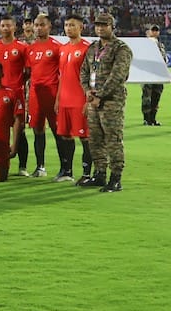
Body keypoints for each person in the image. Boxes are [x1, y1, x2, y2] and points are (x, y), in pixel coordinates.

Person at [79, 13, 132, 192]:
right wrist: (87, 91)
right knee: (95, 139)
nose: (100, 28)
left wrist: (100, 95)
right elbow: (84, 71)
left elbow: (118, 75)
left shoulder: (121, 49)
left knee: (113, 139)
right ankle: (99, 174)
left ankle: (116, 178)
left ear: (112, 27)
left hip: (111, 102)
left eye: (104, 25)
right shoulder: (93, 47)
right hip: (93, 100)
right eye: (98, 25)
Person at [0, 15, 28, 174]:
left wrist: (18, 84)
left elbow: (28, 71)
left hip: (16, 94)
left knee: (20, 129)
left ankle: (22, 166)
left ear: (14, 27)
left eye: (8, 25)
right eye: (3, 25)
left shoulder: (22, 48)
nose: (5, 28)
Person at [54, 15, 92, 182]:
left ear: (81, 27)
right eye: (67, 25)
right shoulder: (62, 49)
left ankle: (86, 174)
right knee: (65, 136)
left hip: (80, 99)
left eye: (73, 25)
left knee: (85, 137)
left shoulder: (88, 48)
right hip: (64, 99)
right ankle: (67, 172)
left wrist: (88, 100)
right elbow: (61, 76)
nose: (69, 28)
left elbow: (92, 76)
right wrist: (57, 99)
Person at [23, 14, 62, 177]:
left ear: (49, 26)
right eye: (36, 25)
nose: (38, 28)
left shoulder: (57, 47)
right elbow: (28, 74)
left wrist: (60, 97)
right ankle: (40, 167)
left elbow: (63, 74)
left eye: (42, 25)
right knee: (37, 130)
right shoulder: (30, 48)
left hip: (52, 95)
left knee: (58, 131)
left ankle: (65, 169)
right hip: (35, 95)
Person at [142, 24, 166, 126]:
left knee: (156, 96)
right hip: (148, 74)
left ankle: (153, 118)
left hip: (158, 75)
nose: (155, 32)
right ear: (149, 32)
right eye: (153, 30)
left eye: (156, 30)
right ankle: (147, 119)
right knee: (147, 97)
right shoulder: (145, 44)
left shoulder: (161, 45)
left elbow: (164, 59)